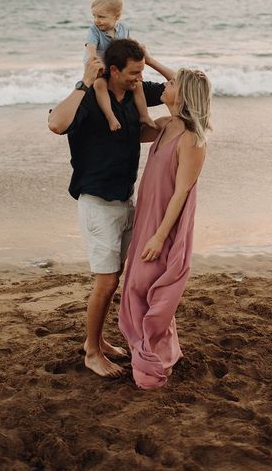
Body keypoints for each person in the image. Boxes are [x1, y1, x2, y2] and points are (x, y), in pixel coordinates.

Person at [48, 39, 174, 378]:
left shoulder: (136, 91)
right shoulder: (89, 98)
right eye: (133, 73)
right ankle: (91, 351)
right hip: (97, 203)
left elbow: (183, 90)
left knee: (119, 278)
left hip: (124, 199)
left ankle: (100, 341)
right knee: (106, 282)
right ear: (114, 70)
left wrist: (152, 61)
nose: (139, 79)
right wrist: (83, 82)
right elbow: (56, 124)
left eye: (141, 72)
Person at [118, 68, 212, 389]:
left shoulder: (192, 139)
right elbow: (140, 101)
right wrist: (149, 61)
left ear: (183, 95)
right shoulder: (165, 125)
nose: (164, 84)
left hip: (164, 221)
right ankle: (162, 350)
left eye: (170, 84)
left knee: (147, 285)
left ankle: (154, 359)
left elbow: (181, 192)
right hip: (148, 213)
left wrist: (160, 236)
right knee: (137, 281)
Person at [85, 0, 157, 131]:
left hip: (117, 67)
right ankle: (110, 116)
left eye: (101, 16)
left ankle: (144, 115)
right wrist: (94, 61)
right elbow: (91, 48)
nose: (97, 20)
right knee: (100, 85)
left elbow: (127, 45)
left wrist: (138, 48)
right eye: (94, 15)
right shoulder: (94, 30)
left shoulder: (123, 28)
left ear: (116, 16)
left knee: (139, 85)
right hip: (99, 66)